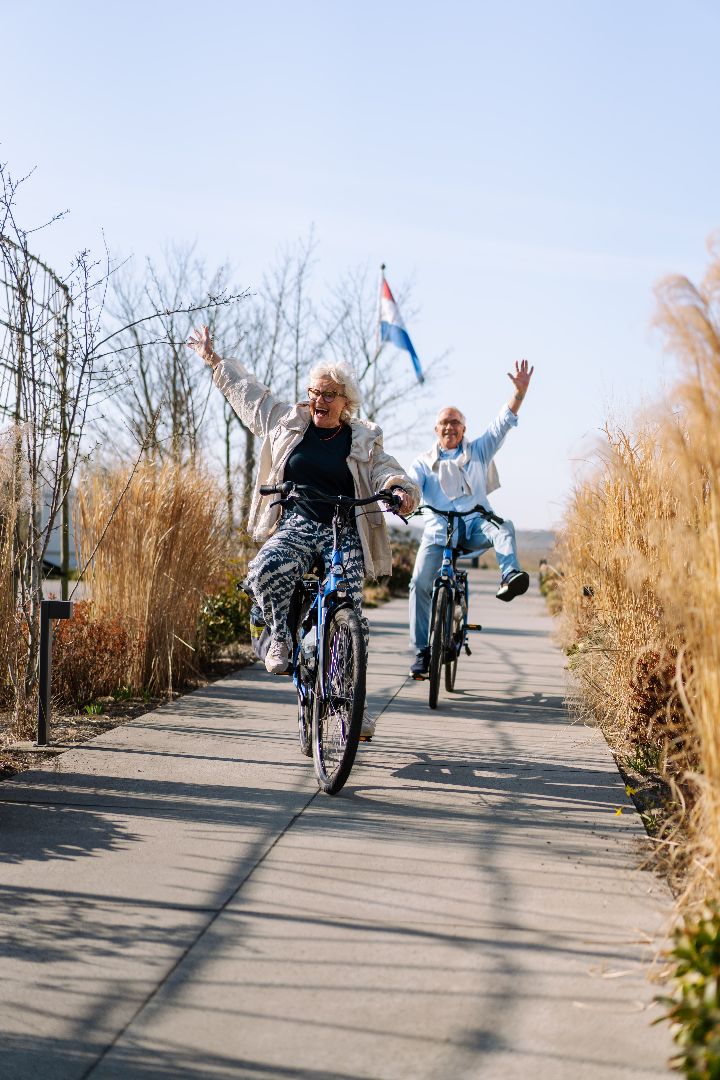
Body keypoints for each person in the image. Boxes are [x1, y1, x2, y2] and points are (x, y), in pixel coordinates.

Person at [187, 326, 420, 737]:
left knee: (350, 613)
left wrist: (399, 490)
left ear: (346, 402)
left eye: (329, 394)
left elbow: (388, 470)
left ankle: (353, 702)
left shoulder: (363, 437)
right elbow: (250, 393)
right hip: (298, 523)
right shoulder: (288, 422)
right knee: (264, 570)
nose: (319, 400)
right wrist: (214, 360)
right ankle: (280, 636)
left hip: (343, 529)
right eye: (314, 392)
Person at [407, 359, 534, 678]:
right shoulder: (424, 462)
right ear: (436, 430)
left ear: (464, 429)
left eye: (456, 423)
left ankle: (509, 575)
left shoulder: (478, 451)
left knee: (504, 527)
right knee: (420, 582)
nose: (449, 427)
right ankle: (423, 650)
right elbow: (411, 485)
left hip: (474, 525)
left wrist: (518, 394)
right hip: (438, 532)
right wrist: (401, 497)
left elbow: (501, 425)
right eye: (444, 423)